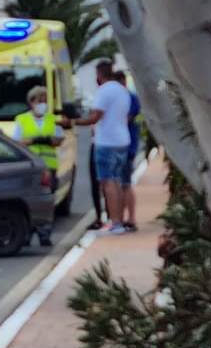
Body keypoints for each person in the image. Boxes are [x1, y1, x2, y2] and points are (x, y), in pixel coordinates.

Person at [69, 61, 132, 235]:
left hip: (106, 143)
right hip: (122, 140)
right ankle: (118, 220)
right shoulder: (122, 91)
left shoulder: (103, 92)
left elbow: (94, 118)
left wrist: (72, 122)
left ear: (99, 74)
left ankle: (115, 223)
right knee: (117, 181)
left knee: (108, 182)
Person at [11, 85, 63, 247]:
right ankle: (26, 234)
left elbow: (58, 139)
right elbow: (18, 141)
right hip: (30, 167)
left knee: (46, 201)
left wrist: (43, 140)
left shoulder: (52, 119)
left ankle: (44, 234)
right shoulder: (22, 119)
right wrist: (37, 140)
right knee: (27, 201)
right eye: (40, 101)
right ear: (31, 102)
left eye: (45, 101)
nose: (43, 104)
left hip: (49, 167)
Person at [115, 71, 142, 232]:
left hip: (127, 146)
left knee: (125, 184)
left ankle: (130, 218)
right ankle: (121, 217)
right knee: (120, 184)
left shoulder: (130, 98)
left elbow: (126, 120)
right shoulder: (125, 98)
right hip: (122, 145)